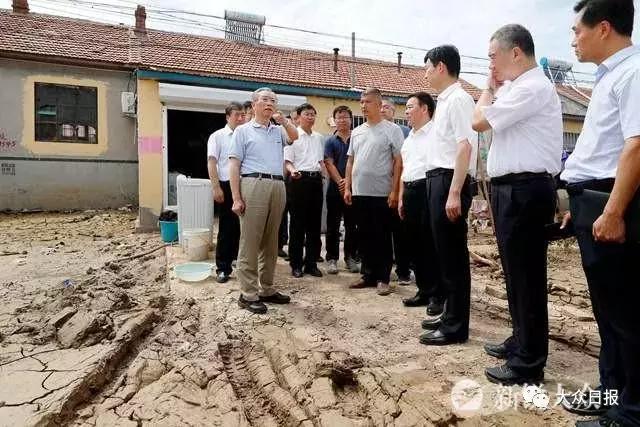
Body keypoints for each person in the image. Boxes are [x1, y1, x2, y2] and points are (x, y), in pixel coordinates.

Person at [560, 1, 640, 425]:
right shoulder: (608, 76)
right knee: (607, 312)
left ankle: (631, 412)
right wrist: (581, 204)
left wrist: (611, 211)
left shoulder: (633, 73)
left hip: (614, 203)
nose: (574, 39)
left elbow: (637, 145)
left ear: (604, 27)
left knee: (627, 316)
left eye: (578, 30)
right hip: (593, 201)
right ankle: (612, 391)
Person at [473, 25, 562, 384]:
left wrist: (485, 89)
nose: (491, 64)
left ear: (515, 53)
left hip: (527, 190)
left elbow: (478, 121)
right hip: (510, 190)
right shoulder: (514, 89)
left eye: (493, 55)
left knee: (526, 276)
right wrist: (495, 89)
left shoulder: (532, 87)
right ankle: (519, 340)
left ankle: (528, 362)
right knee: (514, 273)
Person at [419, 45, 476, 346]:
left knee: (453, 257)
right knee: (444, 255)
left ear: (441, 67)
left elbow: (464, 146)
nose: (425, 73)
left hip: (448, 182)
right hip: (436, 180)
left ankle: (456, 326)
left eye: (428, 66)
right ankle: (449, 316)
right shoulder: (446, 101)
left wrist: (454, 192)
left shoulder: (459, 99)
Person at [229, 87, 298, 314]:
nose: (270, 103)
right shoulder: (243, 131)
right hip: (253, 183)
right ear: (254, 104)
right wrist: (236, 197)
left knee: (271, 242)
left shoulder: (278, 131)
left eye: (273, 100)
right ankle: (247, 294)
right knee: (250, 240)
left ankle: (266, 288)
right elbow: (234, 165)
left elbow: (295, 136)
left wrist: (284, 121)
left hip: (278, 184)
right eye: (265, 100)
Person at [344, 87, 404, 296]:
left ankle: (383, 278)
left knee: (382, 236)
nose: (363, 105)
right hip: (360, 192)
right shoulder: (357, 131)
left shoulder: (392, 130)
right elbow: (351, 160)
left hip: (382, 193)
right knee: (364, 235)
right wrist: (348, 187)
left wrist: (395, 191)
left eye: (367, 102)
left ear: (379, 105)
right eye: (361, 102)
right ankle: (367, 274)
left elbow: (398, 162)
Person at [398, 92, 444, 315]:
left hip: (429, 188)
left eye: (409, 107)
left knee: (430, 244)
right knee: (414, 244)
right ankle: (424, 290)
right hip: (410, 191)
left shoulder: (436, 133)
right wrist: (400, 196)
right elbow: (405, 170)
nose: (406, 111)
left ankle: (437, 295)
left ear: (424, 108)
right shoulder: (409, 138)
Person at [284, 103, 325, 278]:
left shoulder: (319, 137)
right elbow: (288, 161)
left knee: (314, 225)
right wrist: (293, 171)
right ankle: (296, 264)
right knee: (297, 224)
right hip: (299, 180)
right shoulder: (292, 135)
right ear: (299, 117)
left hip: (316, 181)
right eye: (307, 114)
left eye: (313, 114)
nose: (310, 117)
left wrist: (322, 174)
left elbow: (320, 161)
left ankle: (311, 263)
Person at [207, 102, 245, 283]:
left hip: (246, 185)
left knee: (243, 227)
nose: (240, 118)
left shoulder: (246, 135)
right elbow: (212, 162)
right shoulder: (218, 136)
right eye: (237, 115)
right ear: (227, 117)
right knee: (226, 228)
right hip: (226, 185)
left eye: (243, 115)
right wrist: (216, 187)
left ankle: (239, 259)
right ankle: (223, 267)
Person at [324, 106, 360, 274]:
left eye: (345, 117)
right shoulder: (330, 141)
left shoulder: (358, 138)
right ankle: (331, 258)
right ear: (334, 120)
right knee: (332, 224)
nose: (342, 120)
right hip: (335, 188)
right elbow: (328, 163)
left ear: (351, 119)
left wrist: (349, 182)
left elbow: (360, 161)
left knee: (352, 225)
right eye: (339, 117)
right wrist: (341, 182)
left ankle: (350, 258)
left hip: (355, 188)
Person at [381, 98, 412, 284]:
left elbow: (405, 160)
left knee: (401, 233)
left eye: (387, 107)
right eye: (381, 106)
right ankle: (381, 271)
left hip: (400, 187)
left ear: (393, 111)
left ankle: (403, 271)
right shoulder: (375, 129)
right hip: (379, 189)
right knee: (382, 232)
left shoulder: (405, 132)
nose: (383, 110)